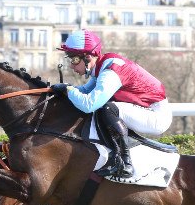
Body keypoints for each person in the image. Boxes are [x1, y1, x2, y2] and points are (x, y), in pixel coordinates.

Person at [50, 29, 173, 178]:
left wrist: (68, 90)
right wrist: (65, 89)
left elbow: (89, 104)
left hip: (156, 116)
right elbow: (85, 91)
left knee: (107, 108)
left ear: (88, 57)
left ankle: (125, 163)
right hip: (148, 109)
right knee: (105, 108)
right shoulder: (102, 66)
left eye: (74, 59)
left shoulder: (110, 73)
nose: (71, 65)